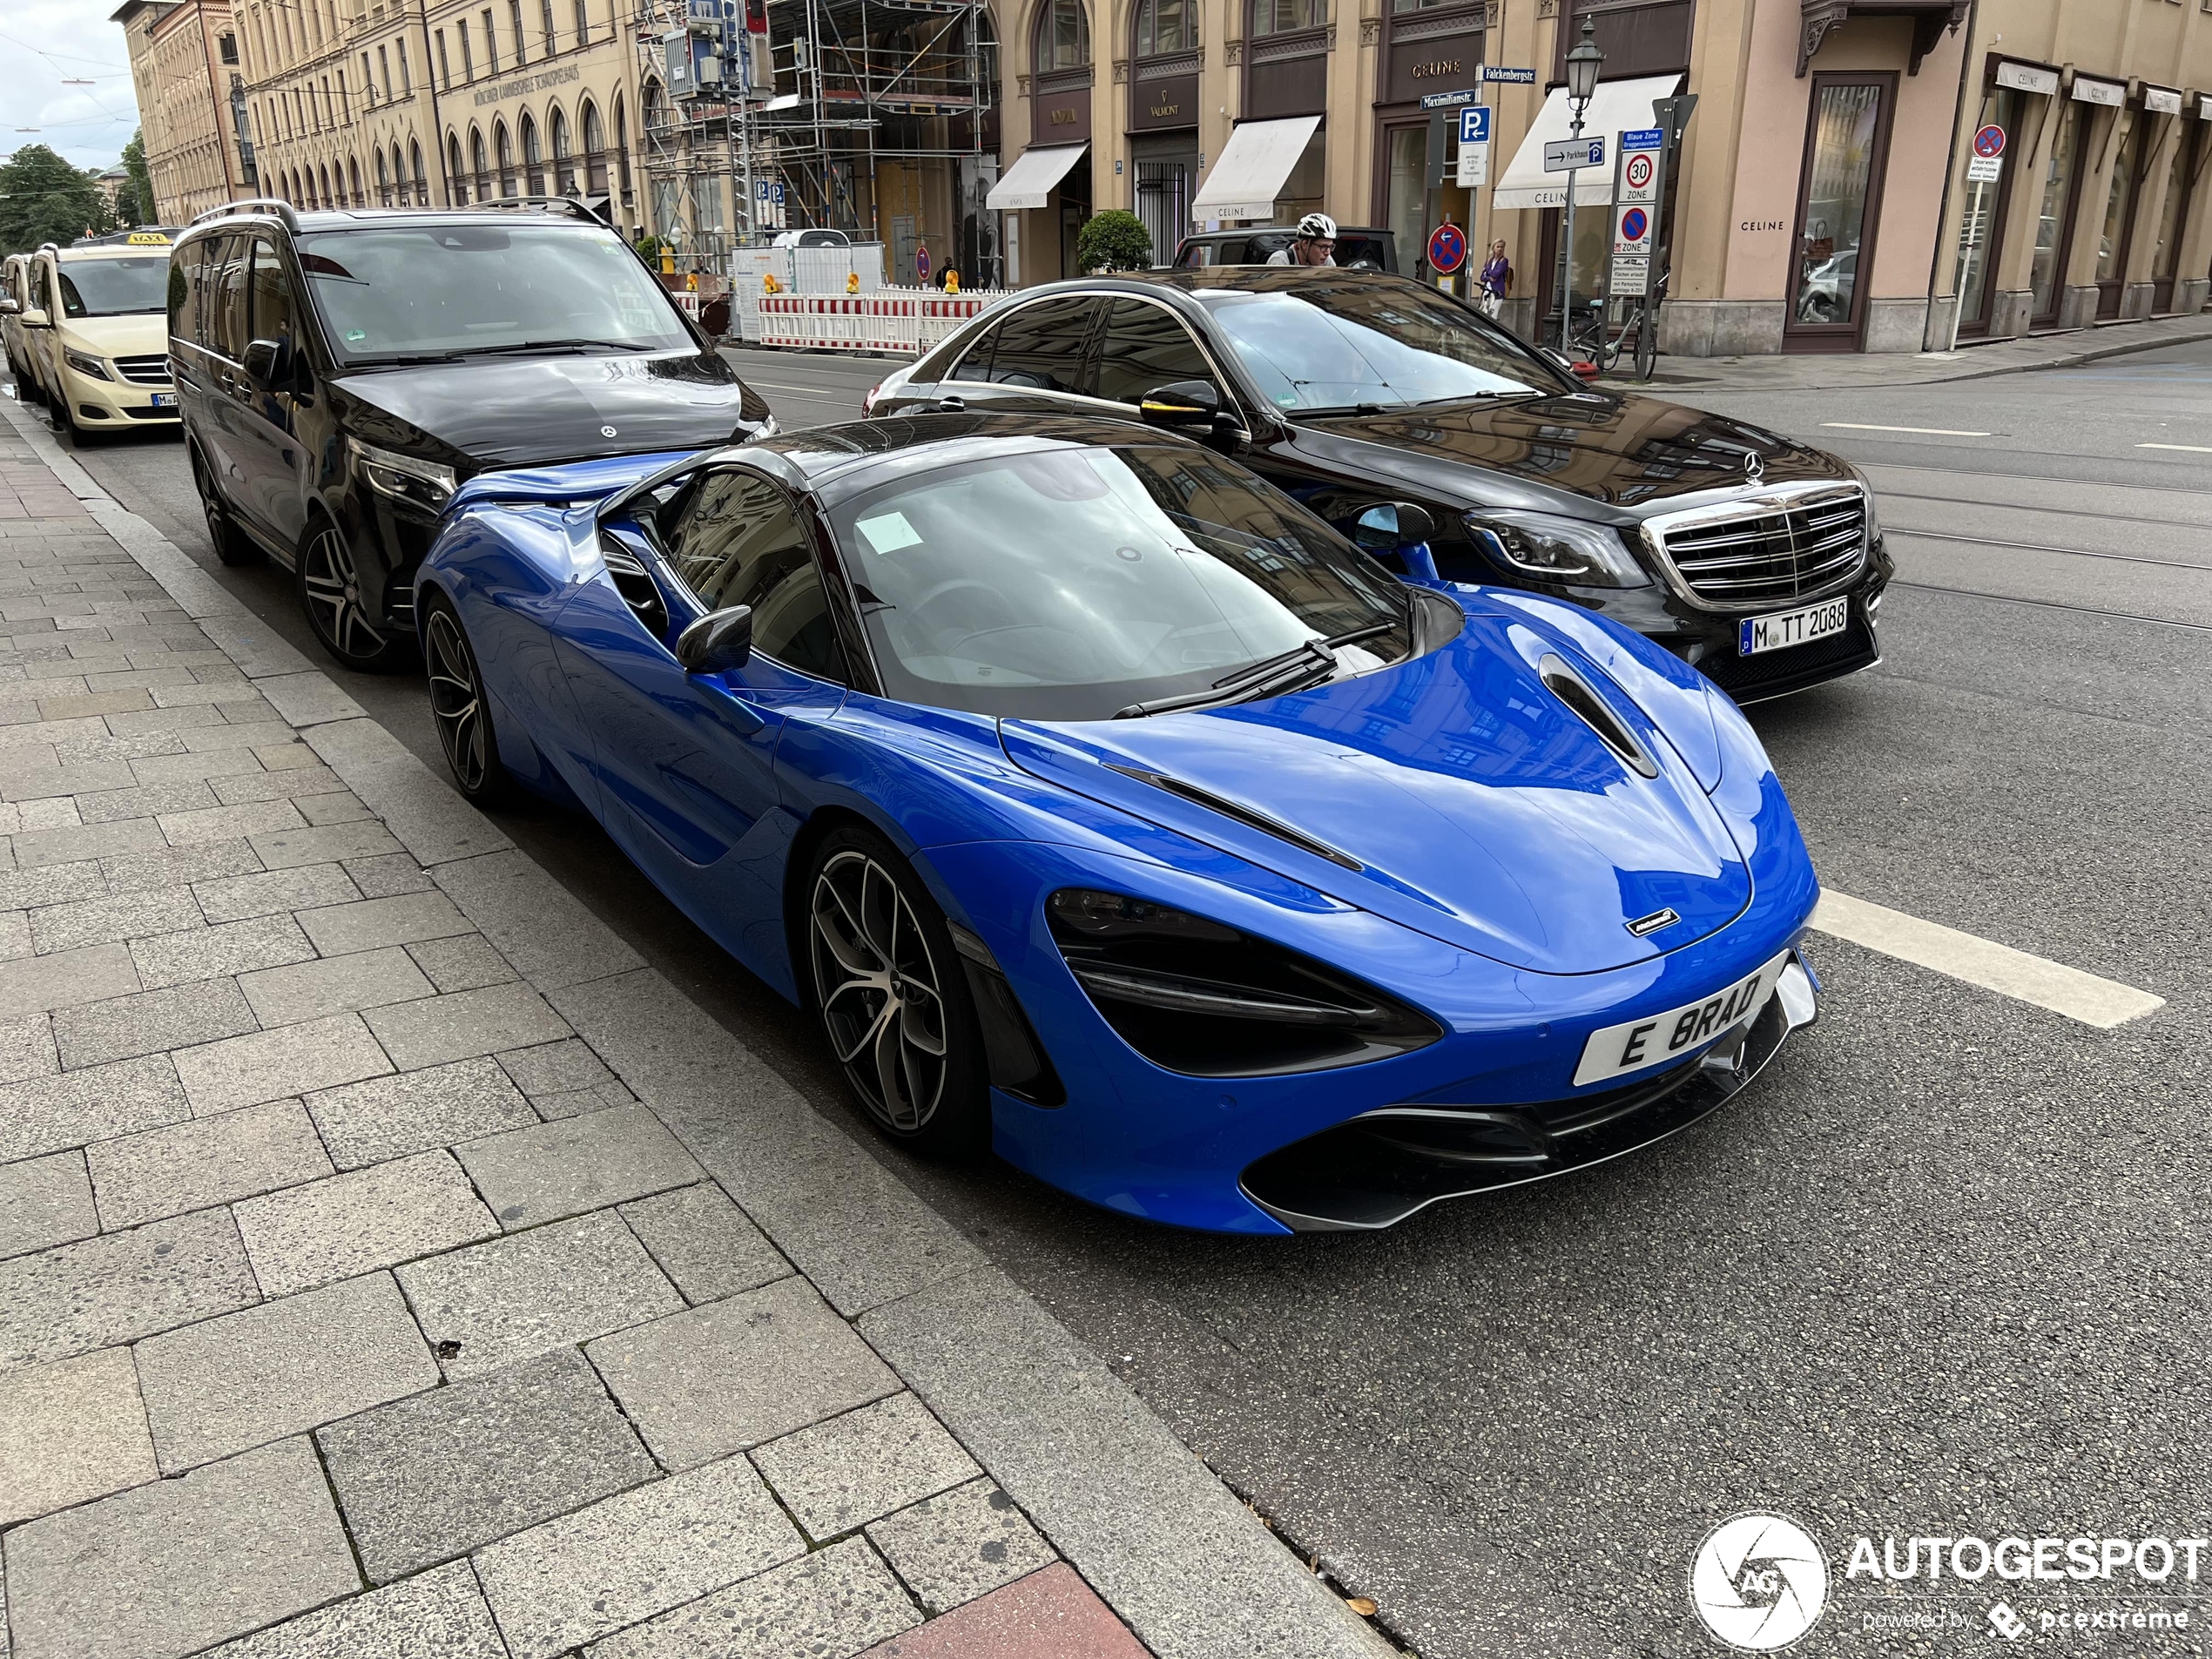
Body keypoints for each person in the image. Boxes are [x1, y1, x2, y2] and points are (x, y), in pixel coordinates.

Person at [1265, 212, 1338, 267]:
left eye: (1330, 247)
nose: (1327, 253)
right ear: (1305, 244)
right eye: (1323, 247)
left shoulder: (1327, 260)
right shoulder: (1280, 260)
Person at [1478, 239, 1512, 320]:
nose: (1500, 249)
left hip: (1497, 291)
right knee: (1484, 313)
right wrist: (1489, 277)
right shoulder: (1489, 260)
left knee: (1493, 315)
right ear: (1493, 248)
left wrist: (1487, 270)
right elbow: (1482, 277)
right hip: (1487, 290)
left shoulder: (1504, 261)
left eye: (1502, 247)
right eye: (1498, 247)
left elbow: (1495, 274)